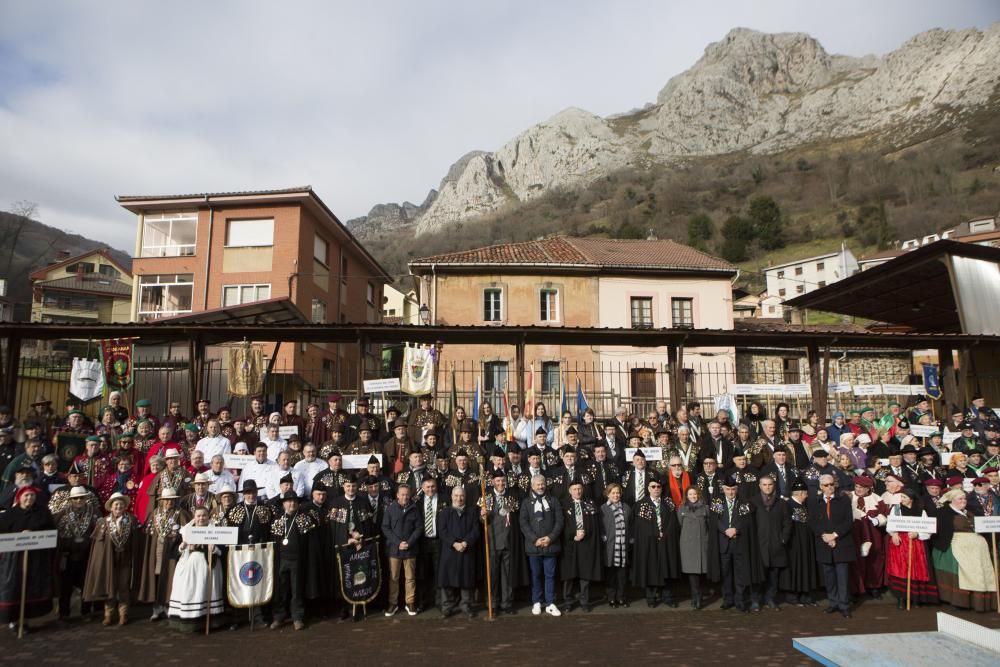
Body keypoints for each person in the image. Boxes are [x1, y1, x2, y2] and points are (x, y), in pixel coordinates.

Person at [932, 488, 997, 612]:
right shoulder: (943, 512)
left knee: (982, 569)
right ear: (952, 500)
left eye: (964, 498)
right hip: (958, 544)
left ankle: (981, 600)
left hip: (978, 547)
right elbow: (940, 532)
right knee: (966, 570)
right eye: (960, 499)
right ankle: (961, 601)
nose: (964, 501)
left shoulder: (970, 511)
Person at [83, 492, 143, 626]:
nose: (118, 507)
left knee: (123, 587)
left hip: (126, 560)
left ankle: (123, 614)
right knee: (110, 586)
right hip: (109, 560)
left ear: (125, 506)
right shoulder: (103, 522)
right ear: (111, 507)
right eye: (116, 504)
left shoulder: (132, 520)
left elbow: (137, 541)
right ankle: (108, 614)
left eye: (121, 504)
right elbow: (98, 546)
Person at [0, 486, 55, 631]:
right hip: (14, 558)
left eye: (32, 496)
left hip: (36, 558)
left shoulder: (42, 512)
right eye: (26, 496)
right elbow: (3, 531)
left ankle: (25, 618)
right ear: (19, 497)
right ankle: (13, 619)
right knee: (14, 587)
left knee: (31, 587)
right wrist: (19, 533)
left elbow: (51, 530)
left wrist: (33, 533)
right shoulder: (11, 513)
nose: (29, 498)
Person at [166, 506, 225, 631]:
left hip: (208, 565)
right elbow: (173, 552)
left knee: (205, 591)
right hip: (188, 566)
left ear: (208, 517)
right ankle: (188, 620)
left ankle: (209, 620)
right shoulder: (186, 530)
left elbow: (223, 550)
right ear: (194, 517)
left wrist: (214, 549)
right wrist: (182, 547)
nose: (201, 518)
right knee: (189, 590)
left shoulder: (215, 530)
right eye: (198, 516)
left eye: (204, 515)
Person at [270, 490, 320, 630]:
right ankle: (279, 617)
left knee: (297, 590)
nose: (291, 503)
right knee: (281, 589)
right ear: (284, 503)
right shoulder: (277, 519)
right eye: (288, 501)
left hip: (298, 560)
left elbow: (311, 544)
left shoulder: (305, 518)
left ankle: (297, 617)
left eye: (294, 501)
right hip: (281, 560)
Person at [139, 487, 188, 621]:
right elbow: (148, 535)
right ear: (161, 501)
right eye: (166, 500)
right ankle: (156, 607)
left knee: (170, 578)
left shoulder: (180, 514)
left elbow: (187, 532)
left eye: (171, 500)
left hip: (173, 552)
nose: (168, 502)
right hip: (157, 551)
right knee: (156, 577)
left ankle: (168, 606)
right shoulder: (154, 514)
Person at [810, 474, 856, 618]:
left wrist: (835, 535)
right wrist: (824, 536)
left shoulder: (843, 500)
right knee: (829, 576)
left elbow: (848, 521)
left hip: (841, 542)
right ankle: (833, 602)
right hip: (824, 543)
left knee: (842, 576)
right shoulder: (815, 501)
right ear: (820, 487)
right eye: (826, 485)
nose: (829, 487)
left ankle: (844, 605)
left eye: (831, 484)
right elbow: (812, 522)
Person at [480, 470, 525, 615]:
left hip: (508, 541)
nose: (500, 483)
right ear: (493, 482)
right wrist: (482, 516)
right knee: (492, 575)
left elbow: (517, 519)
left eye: (502, 481)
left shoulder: (512, 497)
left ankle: (507, 602)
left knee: (507, 575)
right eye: (497, 481)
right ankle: (492, 603)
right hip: (492, 542)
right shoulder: (485, 497)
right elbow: (480, 520)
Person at [631, 477, 680, 608]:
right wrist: (654, 534)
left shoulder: (668, 503)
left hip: (666, 541)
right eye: (653, 487)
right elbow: (640, 526)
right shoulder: (641, 505)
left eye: (658, 486)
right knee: (650, 568)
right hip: (649, 542)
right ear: (648, 489)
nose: (656, 489)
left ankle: (667, 596)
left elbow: (673, 522)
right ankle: (651, 597)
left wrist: (665, 534)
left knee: (666, 568)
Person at [53, 485, 100, 620]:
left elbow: (99, 532)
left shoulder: (94, 513)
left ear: (86, 498)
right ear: (71, 499)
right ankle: (64, 613)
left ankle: (86, 611)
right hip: (67, 555)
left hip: (87, 554)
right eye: (76, 498)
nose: (79, 500)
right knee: (65, 586)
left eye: (81, 497)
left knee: (86, 584)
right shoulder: (62, 514)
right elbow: (56, 534)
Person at [885, 489, 938, 609]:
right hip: (901, 542)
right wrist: (894, 534)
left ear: (911, 499)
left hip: (916, 543)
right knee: (901, 569)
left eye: (904, 497)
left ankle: (915, 598)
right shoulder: (896, 509)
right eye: (901, 497)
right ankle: (901, 598)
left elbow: (926, 528)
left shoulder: (921, 511)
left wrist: (917, 534)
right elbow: (891, 524)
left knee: (916, 569)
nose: (902, 499)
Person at [520, 473, 563, 616]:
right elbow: (523, 523)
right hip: (534, 547)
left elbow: (559, 522)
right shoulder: (526, 503)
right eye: (537, 484)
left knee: (550, 575)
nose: (540, 486)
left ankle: (550, 603)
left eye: (542, 483)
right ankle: (537, 601)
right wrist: (535, 539)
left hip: (551, 545)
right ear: (532, 486)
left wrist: (550, 538)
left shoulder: (554, 501)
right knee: (536, 575)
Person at [748, 476, 791, 611]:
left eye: (770, 484)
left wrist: (783, 538)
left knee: (773, 575)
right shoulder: (752, 502)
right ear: (759, 486)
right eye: (764, 485)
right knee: (758, 575)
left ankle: (770, 598)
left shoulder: (781, 503)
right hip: (759, 545)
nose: (767, 487)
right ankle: (755, 600)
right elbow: (748, 523)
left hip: (776, 545)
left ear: (773, 486)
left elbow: (787, 523)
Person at [559, 477, 602, 613]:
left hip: (586, 544)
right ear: (569, 491)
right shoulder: (563, 505)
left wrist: (586, 534)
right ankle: (568, 601)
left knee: (585, 574)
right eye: (574, 489)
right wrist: (573, 534)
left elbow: (596, 524)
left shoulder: (590, 503)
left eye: (579, 489)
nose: (577, 491)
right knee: (569, 574)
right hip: (569, 544)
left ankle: (584, 601)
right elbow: (561, 525)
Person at [437, 486, 480, 619]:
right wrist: (454, 543)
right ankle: (446, 607)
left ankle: (466, 605)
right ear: (451, 496)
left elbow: (475, 530)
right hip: (450, 551)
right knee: (447, 579)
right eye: (456, 495)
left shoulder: (472, 512)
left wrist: (465, 543)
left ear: (465, 497)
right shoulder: (444, 512)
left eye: (461, 496)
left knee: (466, 578)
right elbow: (442, 531)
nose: (459, 498)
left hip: (466, 550)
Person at [382, 484, 422, 617]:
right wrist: (398, 542)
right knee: (394, 577)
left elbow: (418, 528)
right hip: (394, 549)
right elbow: (385, 527)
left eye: (407, 494)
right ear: (397, 495)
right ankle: (393, 603)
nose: (405, 497)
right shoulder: (390, 509)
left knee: (410, 578)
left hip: (410, 549)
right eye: (402, 494)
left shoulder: (414, 509)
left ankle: (410, 602)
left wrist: (409, 543)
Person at [849, 476, 889, 600]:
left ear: (868, 488)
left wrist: (878, 520)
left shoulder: (876, 498)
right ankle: (855, 589)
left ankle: (874, 587)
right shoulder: (849, 496)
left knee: (875, 559)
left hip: (873, 534)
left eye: (862, 487)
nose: (859, 489)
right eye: (857, 486)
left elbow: (885, 514)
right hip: (854, 534)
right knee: (855, 560)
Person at [780, 479, 818, 606]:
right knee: (793, 568)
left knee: (805, 567)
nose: (807, 496)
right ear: (800, 494)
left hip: (806, 542)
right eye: (806, 494)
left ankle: (805, 596)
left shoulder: (805, 505)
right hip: (793, 544)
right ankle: (792, 596)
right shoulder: (787, 505)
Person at [677, 486, 716, 609]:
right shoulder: (682, 509)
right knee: (692, 573)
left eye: (695, 494)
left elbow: (709, 526)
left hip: (702, 544)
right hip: (688, 545)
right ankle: (696, 597)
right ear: (686, 496)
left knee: (701, 572)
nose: (693, 496)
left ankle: (699, 596)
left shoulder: (705, 508)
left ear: (698, 495)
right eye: (690, 494)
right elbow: (680, 525)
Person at [598, 483, 632, 608]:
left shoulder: (626, 508)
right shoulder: (603, 508)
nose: (616, 495)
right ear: (608, 494)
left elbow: (630, 525)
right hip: (609, 547)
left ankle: (621, 597)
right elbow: (600, 527)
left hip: (623, 547)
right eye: (613, 493)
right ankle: (611, 598)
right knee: (611, 575)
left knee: (622, 575)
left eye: (618, 493)